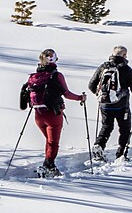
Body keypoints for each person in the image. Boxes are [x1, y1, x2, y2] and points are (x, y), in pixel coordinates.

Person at [18, 48, 84, 177]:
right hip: (53, 114)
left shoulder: (34, 77)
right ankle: (49, 166)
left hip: (38, 114)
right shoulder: (56, 75)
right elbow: (66, 93)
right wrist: (80, 98)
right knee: (53, 142)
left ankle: (47, 164)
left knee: (49, 141)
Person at [91, 45, 132, 161]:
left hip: (105, 105)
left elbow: (91, 85)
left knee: (106, 126)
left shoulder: (103, 67)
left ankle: (99, 145)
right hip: (121, 106)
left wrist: (100, 95)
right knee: (125, 130)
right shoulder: (126, 69)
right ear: (124, 55)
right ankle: (121, 153)